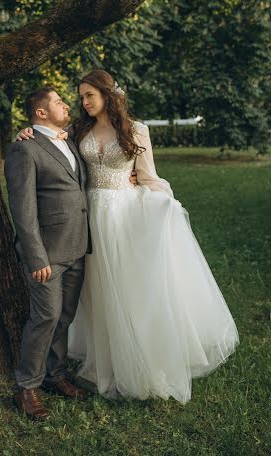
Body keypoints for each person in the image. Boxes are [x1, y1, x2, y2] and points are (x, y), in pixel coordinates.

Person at [15, 69, 239, 404]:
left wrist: (166, 205)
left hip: (123, 217)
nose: (83, 102)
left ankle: (133, 364)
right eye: (79, 97)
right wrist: (27, 131)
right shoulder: (78, 130)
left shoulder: (137, 131)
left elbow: (148, 177)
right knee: (95, 296)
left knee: (128, 291)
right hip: (87, 220)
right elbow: (49, 144)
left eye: (89, 95)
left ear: (107, 94)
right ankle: (82, 366)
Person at [4, 87, 90, 419]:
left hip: (77, 248)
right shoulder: (24, 150)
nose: (66, 105)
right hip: (47, 254)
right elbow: (22, 210)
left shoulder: (67, 140)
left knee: (65, 317)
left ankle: (56, 376)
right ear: (41, 112)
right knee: (46, 317)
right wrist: (36, 257)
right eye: (58, 102)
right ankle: (26, 387)